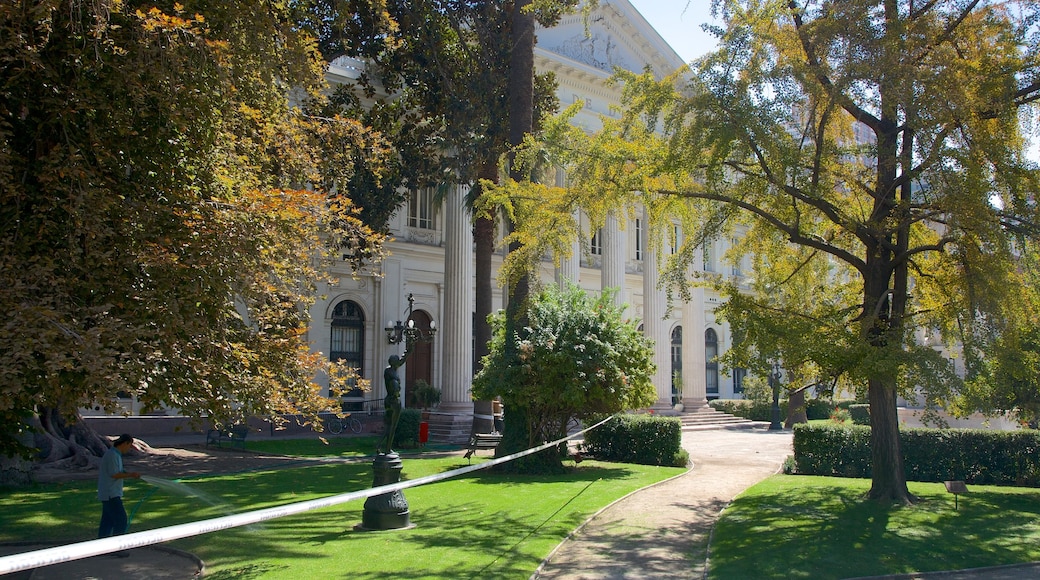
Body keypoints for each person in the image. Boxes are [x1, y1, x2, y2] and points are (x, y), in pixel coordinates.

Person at [97, 433, 141, 550]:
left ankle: (101, 547)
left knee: (108, 520)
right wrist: (130, 475)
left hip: (109, 493)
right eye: (129, 446)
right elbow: (114, 474)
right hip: (110, 494)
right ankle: (117, 547)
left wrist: (129, 473)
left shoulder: (115, 454)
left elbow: (117, 470)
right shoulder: (112, 455)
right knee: (121, 520)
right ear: (125, 443)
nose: (129, 449)